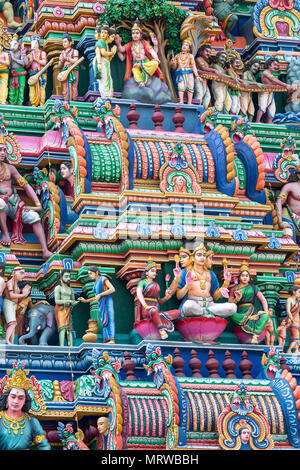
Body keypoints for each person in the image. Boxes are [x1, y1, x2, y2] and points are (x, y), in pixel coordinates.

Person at [0, 135, 52, 259]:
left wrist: (37, 205)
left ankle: (45, 250)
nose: (2, 153)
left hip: (14, 203)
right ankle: (5, 234)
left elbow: (26, 186)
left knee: (34, 217)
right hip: (1, 203)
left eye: (4, 150)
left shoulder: (10, 168)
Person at [176, 243, 236, 318]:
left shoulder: (211, 274)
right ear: (193, 258)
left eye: (204, 255)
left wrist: (226, 282)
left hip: (210, 304)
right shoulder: (185, 272)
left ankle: (204, 312)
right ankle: (207, 314)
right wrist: (187, 286)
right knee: (188, 306)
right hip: (194, 302)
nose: (202, 258)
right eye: (199, 255)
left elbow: (215, 297)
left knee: (233, 307)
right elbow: (178, 296)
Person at [0, 364, 51, 450]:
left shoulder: (32, 422)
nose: (16, 401)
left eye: (20, 398)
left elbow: (44, 446)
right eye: (13, 397)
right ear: (6, 399)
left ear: (25, 401)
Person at [136, 259, 181, 340]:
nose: (154, 273)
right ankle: (161, 329)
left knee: (178, 312)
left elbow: (158, 301)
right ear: (147, 272)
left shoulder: (156, 285)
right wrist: (146, 306)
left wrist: (166, 297)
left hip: (156, 310)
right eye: (152, 271)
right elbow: (139, 294)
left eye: (155, 271)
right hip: (147, 310)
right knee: (154, 311)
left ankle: (159, 317)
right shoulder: (142, 282)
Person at [228, 262, 270, 344]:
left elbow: (263, 299)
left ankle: (255, 337)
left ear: (249, 278)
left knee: (265, 316)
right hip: (240, 312)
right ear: (239, 277)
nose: (244, 278)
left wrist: (266, 311)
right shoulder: (234, 288)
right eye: (242, 276)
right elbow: (229, 303)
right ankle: (248, 319)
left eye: (246, 276)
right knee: (230, 313)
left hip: (252, 310)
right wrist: (237, 299)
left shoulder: (254, 288)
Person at [115, 19, 163, 88]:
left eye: (137, 33)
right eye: (133, 33)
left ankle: (142, 68)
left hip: (146, 63)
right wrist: (118, 44)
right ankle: (141, 82)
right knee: (134, 71)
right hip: (136, 64)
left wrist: (156, 57)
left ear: (140, 35)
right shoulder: (129, 45)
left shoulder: (144, 43)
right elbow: (122, 50)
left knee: (155, 63)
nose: (135, 35)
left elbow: (152, 51)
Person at [78, 266, 116, 344]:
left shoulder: (103, 278)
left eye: (91, 273)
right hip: (101, 303)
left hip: (107, 300)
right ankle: (107, 340)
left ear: (97, 273)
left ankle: (112, 339)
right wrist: (85, 300)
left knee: (109, 318)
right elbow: (95, 297)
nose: (90, 275)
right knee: (103, 320)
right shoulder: (95, 284)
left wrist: (100, 294)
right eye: (89, 274)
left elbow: (112, 289)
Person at [256, 58, 293, 124]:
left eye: (277, 65)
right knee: (263, 106)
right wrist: (285, 85)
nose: (276, 67)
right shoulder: (265, 72)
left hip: (271, 92)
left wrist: (286, 86)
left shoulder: (270, 73)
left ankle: (269, 122)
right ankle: (257, 121)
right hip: (265, 92)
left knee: (272, 108)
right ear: (269, 65)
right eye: (274, 64)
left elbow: (275, 83)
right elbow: (274, 80)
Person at [3, 266, 31, 344]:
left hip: (13, 305)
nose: (23, 275)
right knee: (12, 324)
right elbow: (11, 296)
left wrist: (25, 293)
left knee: (13, 325)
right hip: (8, 303)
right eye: (21, 273)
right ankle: (7, 340)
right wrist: (24, 295)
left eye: (24, 273)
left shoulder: (17, 286)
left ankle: (11, 342)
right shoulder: (9, 283)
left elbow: (17, 300)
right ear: (14, 273)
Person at [170, 38, 202, 105]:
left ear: (188, 48)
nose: (184, 46)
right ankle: (181, 101)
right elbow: (174, 67)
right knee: (180, 87)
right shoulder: (177, 56)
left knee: (190, 87)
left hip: (189, 74)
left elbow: (193, 66)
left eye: (186, 45)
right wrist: (173, 62)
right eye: (183, 45)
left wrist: (197, 76)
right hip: (180, 74)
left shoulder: (190, 56)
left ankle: (189, 102)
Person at [54, 269, 79, 347]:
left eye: (69, 276)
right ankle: (62, 346)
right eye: (66, 276)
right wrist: (68, 301)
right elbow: (57, 301)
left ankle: (71, 346)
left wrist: (75, 302)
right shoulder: (58, 288)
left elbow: (73, 301)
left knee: (69, 328)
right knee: (62, 328)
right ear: (61, 277)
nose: (68, 278)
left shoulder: (70, 289)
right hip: (60, 310)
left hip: (68, 309)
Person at [275, 166, 300, 239]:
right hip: (289, 215)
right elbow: (279, 203)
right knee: (288, 232)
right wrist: (280, 222)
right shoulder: (290, 186)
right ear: (298, 175)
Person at [94, 24, 117, 98]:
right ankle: (105, 96)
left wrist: (112, 54)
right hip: (101, 61)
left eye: (105, 33)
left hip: (104, 62)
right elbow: (102, 53)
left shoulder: (104, 43)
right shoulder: (101, 42)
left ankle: (108, 95)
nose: (103, 34)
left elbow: (107, 58)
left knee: (108, 80)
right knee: (104, 80)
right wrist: (112, 53)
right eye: (102, 32)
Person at [26, 35, 48, 107]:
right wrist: (30, 61)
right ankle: (33, 103)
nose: (34, 45)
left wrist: (36, 60)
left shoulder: (42, 53)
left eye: (35, 43)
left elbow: (44, 63)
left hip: (42, 73)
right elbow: (26, 66)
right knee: (32, 89)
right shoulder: (29, 55)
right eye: (32, 43)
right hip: (32, 74)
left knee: (42, 88)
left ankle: (42, 103)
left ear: (38, 44)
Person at [58, 33, 79, 102]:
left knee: (74, 86)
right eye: (63, 42)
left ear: (70, 43)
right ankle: (66, 100)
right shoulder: (62, 53)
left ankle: (73, 100)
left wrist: (68, 59)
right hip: (65, 71)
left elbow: (76, 61)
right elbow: (59, 66)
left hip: (73, 70)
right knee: (65, 88)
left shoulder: (74, 51)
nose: (64, 43)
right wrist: (61, 60)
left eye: (65, 41)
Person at [8, 34, 28, 106]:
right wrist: (10, 58)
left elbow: (25, 63)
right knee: (12, 88)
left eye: (15, 44)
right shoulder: (10, 54)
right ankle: (11, 102)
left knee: (21, 88)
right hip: (13, 73)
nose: (13, 46)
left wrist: (14, 59)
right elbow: (9, 65)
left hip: (21, 72)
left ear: (18, 45)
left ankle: (20, 103)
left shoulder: (21, 53)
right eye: (11, 44)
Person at [286, 285, 300, 354]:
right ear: (294, 292)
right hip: (292, 320)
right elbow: (288, 311)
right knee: (295, 336)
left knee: (298, 337)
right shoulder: (289, 300)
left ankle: (296, 350)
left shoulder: (297, 301)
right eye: (299, 292)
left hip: (297, 320)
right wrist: (291, 318)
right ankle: (289, 350)